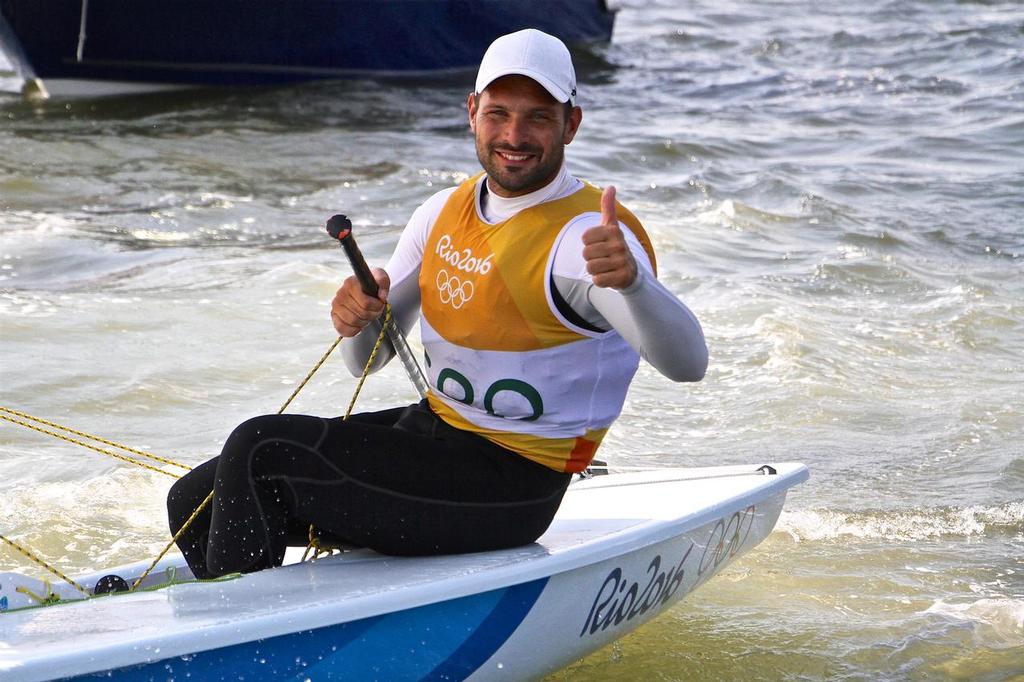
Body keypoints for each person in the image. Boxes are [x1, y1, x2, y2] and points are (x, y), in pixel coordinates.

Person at [167, 28, 708, 579]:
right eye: (498, 113)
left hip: (513, 483)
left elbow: (690, 366)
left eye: (538, 117)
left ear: (571, 123)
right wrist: (358, 316)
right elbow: (366, 362)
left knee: (259, 448)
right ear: (471, 112)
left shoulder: (584, 238)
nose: (514, 134)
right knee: (191, 505)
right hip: (436, 437)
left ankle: (244, 638)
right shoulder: (441, 212)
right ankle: (261, 607)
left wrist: (633, 283)